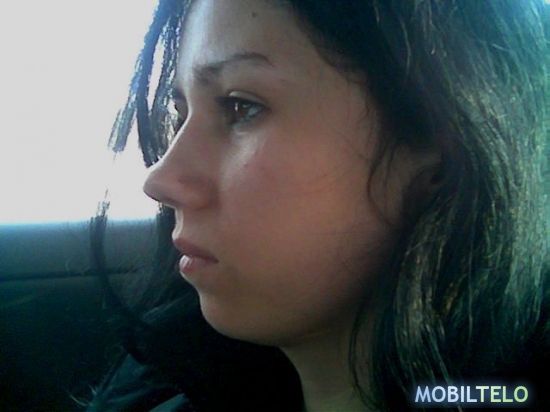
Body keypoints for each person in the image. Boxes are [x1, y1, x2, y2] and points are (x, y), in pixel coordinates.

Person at [88, 0, 549, 411]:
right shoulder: (161, 385)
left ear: (444, 152)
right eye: (180, 113)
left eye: (240, 107)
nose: (160, 181)